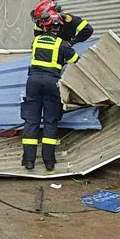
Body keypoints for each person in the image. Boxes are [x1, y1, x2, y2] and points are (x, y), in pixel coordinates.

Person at [21, 11, 79, 172]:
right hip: (52, 83)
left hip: (33, 82)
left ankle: (29, 161)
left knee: (31, 121)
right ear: (59, 28)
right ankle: (49, 162)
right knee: (50, 121)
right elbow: (75, 60)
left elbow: (37, 30)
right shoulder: (62, 44)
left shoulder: (36, 41)